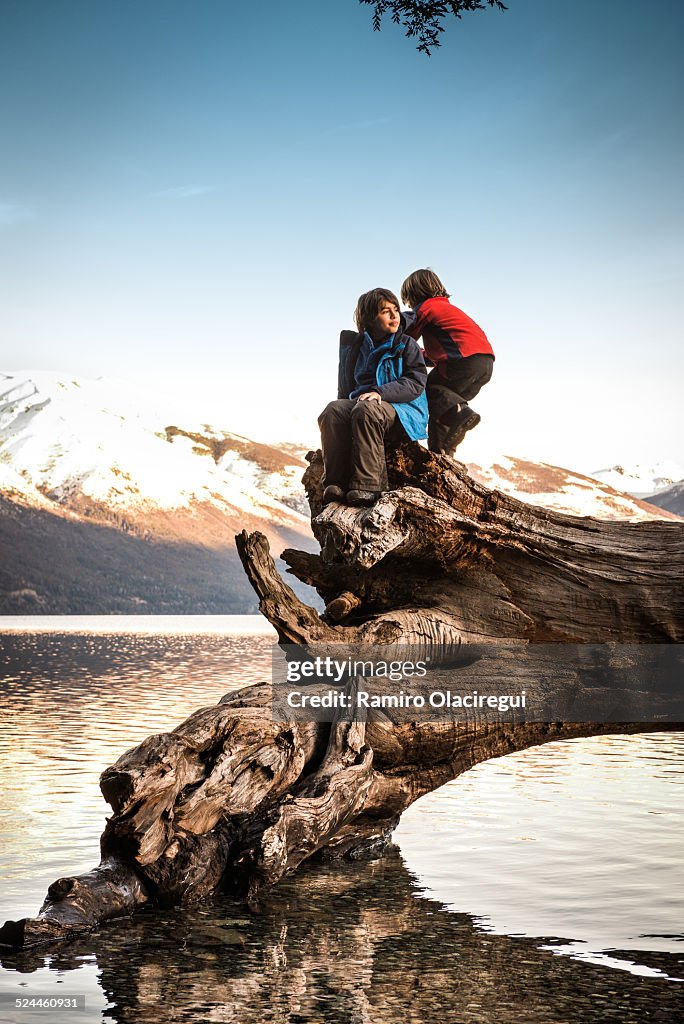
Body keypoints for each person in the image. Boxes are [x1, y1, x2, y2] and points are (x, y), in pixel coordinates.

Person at [318, 287, 428, 507]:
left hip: (404, 409)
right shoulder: (357, 348)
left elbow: (416, 383)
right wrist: (345, 409)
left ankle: (369, 485)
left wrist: (380, 392)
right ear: (369, 318)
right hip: (366, 406)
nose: (394, 315)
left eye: (396, 309)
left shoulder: (406, 344)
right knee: (332, 410)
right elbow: (347, 387)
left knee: (365, 409)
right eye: (385, 311)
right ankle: (335, 482)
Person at [400, 268, 494, 455]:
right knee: (440, 411)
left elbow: (405, 340)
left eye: (409, 301)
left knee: (427, 390)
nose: (411, 307)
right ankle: (443, 450)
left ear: (414, 294)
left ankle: (461, 412)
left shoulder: (426, 308)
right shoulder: (448, 309)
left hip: (464, 360)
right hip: (485, 362)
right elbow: (434, 354)